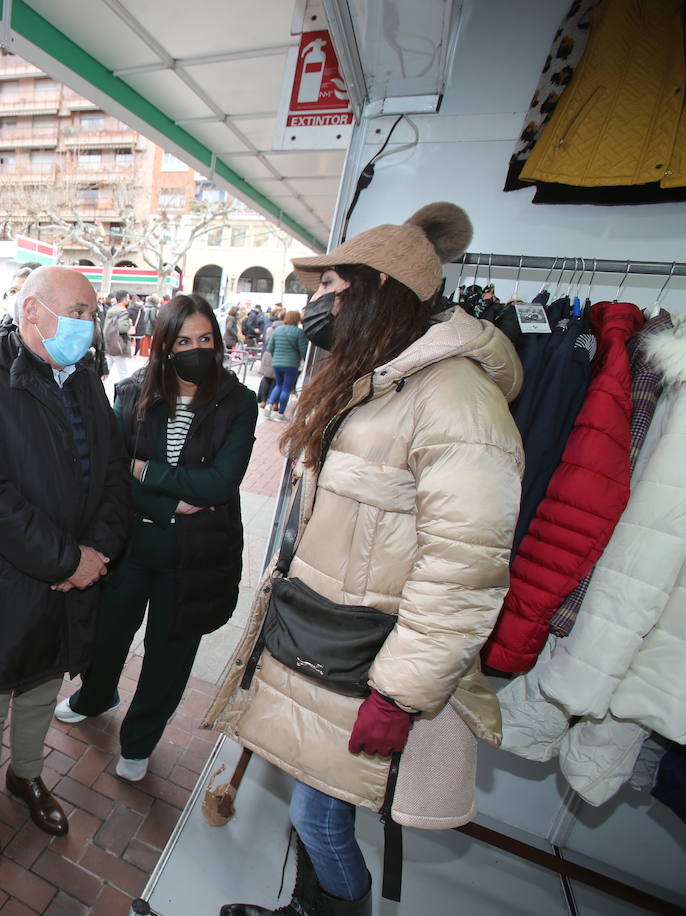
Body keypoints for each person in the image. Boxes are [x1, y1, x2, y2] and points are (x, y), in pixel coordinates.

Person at [207, 203, 523, 916]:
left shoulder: (458, 404)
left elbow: (464, 571)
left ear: (376, 287)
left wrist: (399, 694)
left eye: (331, 289)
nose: (317, 306)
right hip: (328, 642)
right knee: (317, 810)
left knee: (319, 817)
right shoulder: (382, 378)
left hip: (367, 664)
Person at [0, 265, 130, 864]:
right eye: (79, 312)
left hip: (74, 572)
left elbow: (110, 470)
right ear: (32, 311)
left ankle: (25, 776)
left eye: (92, 314)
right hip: (9, 575)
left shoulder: (82, 379)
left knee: (43, 682)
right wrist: (63, 559)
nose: (90, 325)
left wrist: (95, 553)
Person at [55, 293, 256, 780]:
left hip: (198, 555)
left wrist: (146, 469)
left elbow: (220, 484)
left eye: (206, 338)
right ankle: (96, 695)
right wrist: (169, 499)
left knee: (170, 654)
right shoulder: (131, 393)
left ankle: (140, 738)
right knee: (108, 634)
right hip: (132, 545)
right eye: (184, 340)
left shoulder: (239, 402)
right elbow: (113, 474)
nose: (197, 348)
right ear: (164, 346)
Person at [263, 310, 308, 421]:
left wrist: (276, 357)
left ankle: (269, 404)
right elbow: (304, 351)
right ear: (297, 319)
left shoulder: (278, 330)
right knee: (286, 388)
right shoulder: (299, 332)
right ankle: (281, 413)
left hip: (277, 363)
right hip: (291, 364)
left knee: (278, 385)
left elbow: (270, 348)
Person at [103, 290, 134, 381]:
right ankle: (124, 392)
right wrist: (129, 323)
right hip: (119, 344)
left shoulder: (111, 310)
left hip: (109, 343)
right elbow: (122, 328)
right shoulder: (123, 311)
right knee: (123, 372)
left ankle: (97, 389)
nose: (128, 300)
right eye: (128, 298)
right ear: (124, 299)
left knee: (106, 370)